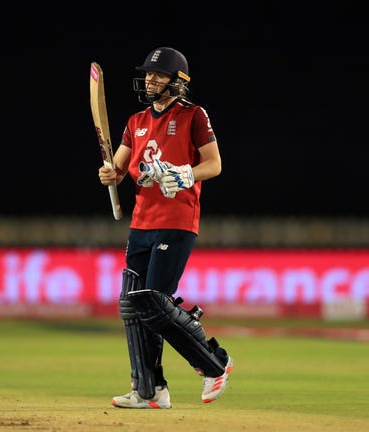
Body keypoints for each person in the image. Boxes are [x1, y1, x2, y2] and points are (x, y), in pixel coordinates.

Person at [98, 46, 233, 409]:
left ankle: (214, 363)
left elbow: (215, 164)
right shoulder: (135, 121)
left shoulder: (194, 115)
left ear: (178, 81)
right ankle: (149, 389)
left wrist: (187, 173)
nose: (150, 80)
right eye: (148, 74)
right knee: (133, 304)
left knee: (154, 304)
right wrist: (110, 171)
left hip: (177, 222)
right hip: (142, 223)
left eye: (158, 75)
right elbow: (121, 166)